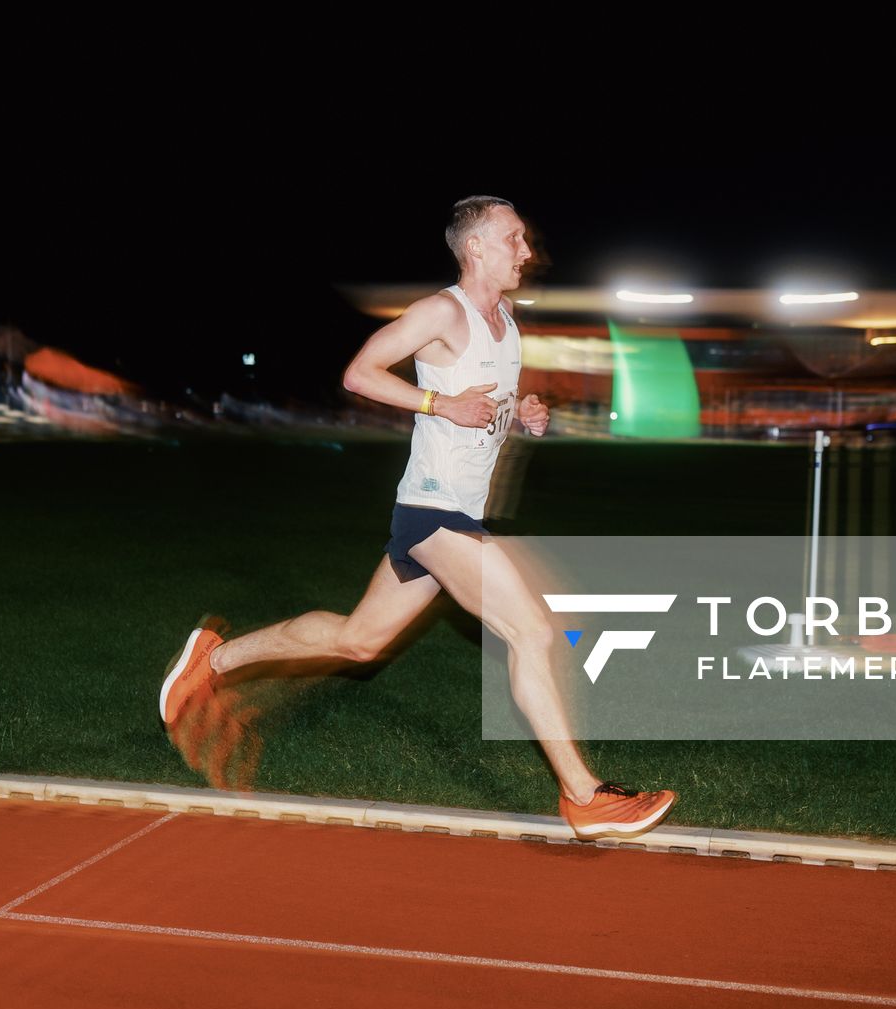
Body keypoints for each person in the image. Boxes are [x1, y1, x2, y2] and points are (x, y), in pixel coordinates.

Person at [160, 196, 676, 839]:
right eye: (513, 239)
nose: (526, 250)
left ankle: (212, 660)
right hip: (434, 512)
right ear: (476, 248)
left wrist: (522, 412)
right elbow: (359, 373)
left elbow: (485, 399)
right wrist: (437, 402)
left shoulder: (506, 320)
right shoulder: (441, 312)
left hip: (451, 513)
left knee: (358, 640)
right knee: (533, 633)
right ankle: (584, 796)